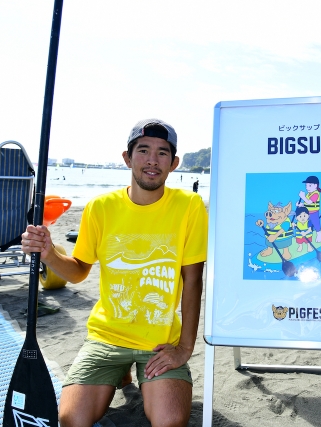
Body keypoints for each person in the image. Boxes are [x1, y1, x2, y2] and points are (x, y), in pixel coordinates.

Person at [21, 118, 208, 427]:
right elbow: (78, 271)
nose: (152, 160)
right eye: (143, 150)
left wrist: (184, 349)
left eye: (162, 153)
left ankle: (132, 373)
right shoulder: (100, 207)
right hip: (107, 337)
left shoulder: (190, 206)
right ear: (127, 157)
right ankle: (119, 371)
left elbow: (192, 280)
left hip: (160, 341)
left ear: (174, 163)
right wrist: (49, 253)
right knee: (71, 420)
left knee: (170, 422)